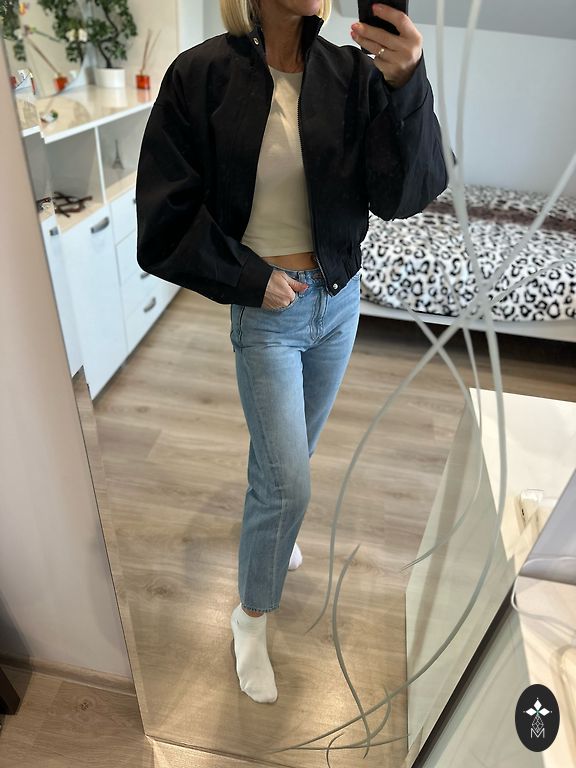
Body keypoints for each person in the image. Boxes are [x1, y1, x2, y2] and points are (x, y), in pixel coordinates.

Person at [135, 0, 450, 705]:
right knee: (289, 485)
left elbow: (403, 194)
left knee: (289, 458)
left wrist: (409, 85)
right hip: (267, 312)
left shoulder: (353, 74)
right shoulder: (201, 75)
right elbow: (163, 218)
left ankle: (273, 537)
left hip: (339, 303)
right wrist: (250, 279)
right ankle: (250, 616)